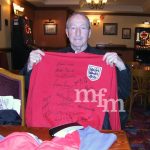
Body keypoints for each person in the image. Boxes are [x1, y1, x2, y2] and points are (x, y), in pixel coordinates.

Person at [21, 13, 131, 129]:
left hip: (94, 126)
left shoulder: (104, 60)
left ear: (89, 33)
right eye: (73, 28)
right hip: (59, 123)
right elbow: (30, 88)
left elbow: (123, 93)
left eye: (83, 28)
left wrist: (121, 66)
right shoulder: (51, 59)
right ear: (67, 33)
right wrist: (30, 66)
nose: (78, 33)